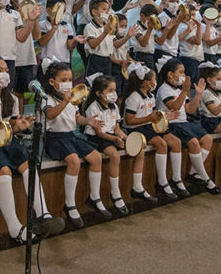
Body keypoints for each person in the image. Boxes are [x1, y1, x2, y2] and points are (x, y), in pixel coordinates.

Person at [0, 55, 63, 243]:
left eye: (6, 70)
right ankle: (14, 227)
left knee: (28, 164)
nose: (4, 74)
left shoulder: (12, 99)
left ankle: (43, 213)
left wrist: (18, 125)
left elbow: (11, 124)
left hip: (9, 141)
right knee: (4, 171)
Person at [42, 62, 108, 227]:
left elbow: (77, 117)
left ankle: (94, 196)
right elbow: (50, 115)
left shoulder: (72, 97)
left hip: (71, 136)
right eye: (63, 79)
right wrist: (65, 101)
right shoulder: (46, 98)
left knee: (96, 157)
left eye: (70, 79)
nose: (68, 82)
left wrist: (88, 121)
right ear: (52, 82)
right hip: (54, 138)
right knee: (74, 161)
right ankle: (69, 204)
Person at [155, 57, 221, 195]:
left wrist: (198, 95)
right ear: (170, 74)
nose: (183, 76)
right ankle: (206, 178)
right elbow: (174, 108)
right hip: (172, 124)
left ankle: (194, 172)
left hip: (184, 122)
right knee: (194, 143)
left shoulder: (179, 90)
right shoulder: (164, 89)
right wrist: (185, 91)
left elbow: (190, 109)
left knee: (207, 139)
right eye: (181, 72)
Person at [122, 62, 181, 200]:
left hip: (148, 126)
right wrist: (149, 118)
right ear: (147, 82)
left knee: (175, 141)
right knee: (161, 143)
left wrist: (166, 117)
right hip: (135, 129)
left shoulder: (150, 96)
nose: (155, 82)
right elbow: (129, 120)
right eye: (153, 79)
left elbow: (153, 115)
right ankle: (162, 181)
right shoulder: (133, 97)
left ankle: (176, 178)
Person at [83, 74, 135, 215]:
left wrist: (126, 138)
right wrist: (115, 140)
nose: (113, 94)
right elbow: (99, 133)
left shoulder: (114, 107)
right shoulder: (93, 108)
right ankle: (115, 192)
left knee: (134, 147)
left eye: (114, 90)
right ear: (98, 93)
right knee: (114, 154)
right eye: (110, 91)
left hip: (110, 135)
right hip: (96, 137)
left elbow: (117, 129)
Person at [37, 0, 84, 84]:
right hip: (48, 63)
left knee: (64, 90)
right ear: (49, 10)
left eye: (63, 11)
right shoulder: (42, 24)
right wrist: (54, 28)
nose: (61, 13)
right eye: (58, 10)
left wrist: (75, 40)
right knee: (47, 89)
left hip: (64, 63)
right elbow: (42, 42)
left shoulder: (67, 26)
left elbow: (69, 46)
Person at [10, 0, 41, 113]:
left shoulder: (30, 16)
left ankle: (21, 125)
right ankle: (13, 121)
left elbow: (37, 36)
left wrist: (34, 19)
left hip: (26, 58)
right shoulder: (11, 14)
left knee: (22, 94)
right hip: (12, 57)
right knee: (11, 93)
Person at [83, 0, 116, 81]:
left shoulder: (108, 27)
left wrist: (128, 36)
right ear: (94, 12)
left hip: (107, 59)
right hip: (95, 59)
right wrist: (104, 33)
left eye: (108, 10)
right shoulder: (89, 27)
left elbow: (115, 43)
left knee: (107, 84)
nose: (107, 12)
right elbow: (93, 44)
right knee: (94, 84)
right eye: (104, 9)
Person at [154, 0, 182, 64]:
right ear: (164, 2)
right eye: (172, 1)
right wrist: (178, 21)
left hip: (172, 52)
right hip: (163, 52)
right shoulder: (163, 17)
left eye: (177, 1)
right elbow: (168, 36)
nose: (175, 4)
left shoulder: (173, 17)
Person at [132, 3, 161, 70]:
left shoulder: (152, 28)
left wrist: (167, 30)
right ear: (142, 16)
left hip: (151, 56)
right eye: (150, 19)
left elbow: (159, 42)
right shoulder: (136, 27)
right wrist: (149, 29)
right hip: (141, 55)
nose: (151, 22)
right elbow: (143, 43)